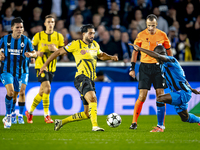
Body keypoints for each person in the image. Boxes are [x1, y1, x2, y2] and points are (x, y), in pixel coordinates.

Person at [39, 24, 118, 131]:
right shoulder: (76, 44)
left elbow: (101, 55)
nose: (92, 35)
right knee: (93, 99)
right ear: (84, 34)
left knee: (87, 114)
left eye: (93, 33)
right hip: (81, 77)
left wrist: (111, 57)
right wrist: (45, 65)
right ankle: (95, 126)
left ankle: (61, 122)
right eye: (90, 33)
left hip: (90, 79)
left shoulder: (95, 44)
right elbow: (58, 52)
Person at [129, 44, 200, 130]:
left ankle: (160, 126)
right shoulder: (162, 66)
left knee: (160, 98)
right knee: (185, 118)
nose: (156, 57)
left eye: (157, 55)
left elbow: (158, 55)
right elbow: (182, 78)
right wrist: (192, 89)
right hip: (179, 92)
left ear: (162, 54)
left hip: (182, 93)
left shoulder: (171, 60)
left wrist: (140, 49)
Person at [129, 14, 172, 132]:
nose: (151, 28)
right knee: (142, 96)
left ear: (156, 24)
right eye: (149, 26)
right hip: (145, 68)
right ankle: (134, 122)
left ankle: (161, 125)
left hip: (159, 68)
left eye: (153, 26)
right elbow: (135, 52)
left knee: (160, 96)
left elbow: (168, 51)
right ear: (146, 25)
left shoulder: (162, 35)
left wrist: (171, 65)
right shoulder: (141, 35)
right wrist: (132, 68)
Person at [25, 15, 65, 124]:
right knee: (47, 88)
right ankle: (47, 115)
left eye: (52, 22)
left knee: (42, 92)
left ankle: (30, 112)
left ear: (54, 23)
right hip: (40, 66)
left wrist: (55, 49)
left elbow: (64, 52)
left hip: (52, 67)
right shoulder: (38, 36)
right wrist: (35, 54)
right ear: (45, 24)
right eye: (48, 22)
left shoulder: (59, 36)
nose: (51, 24)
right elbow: (32, 50)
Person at [0, 17, 37, 128]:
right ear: (12, 28)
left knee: (16, 95)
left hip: (20, 73)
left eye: (21, 27)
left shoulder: (26, 40)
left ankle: (14, 113)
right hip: (6, 71)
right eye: (17, 27)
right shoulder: (4, 39)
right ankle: (7, 116)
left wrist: (31, 55)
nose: (20, 29)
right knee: (10, 92)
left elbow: (34, 53)